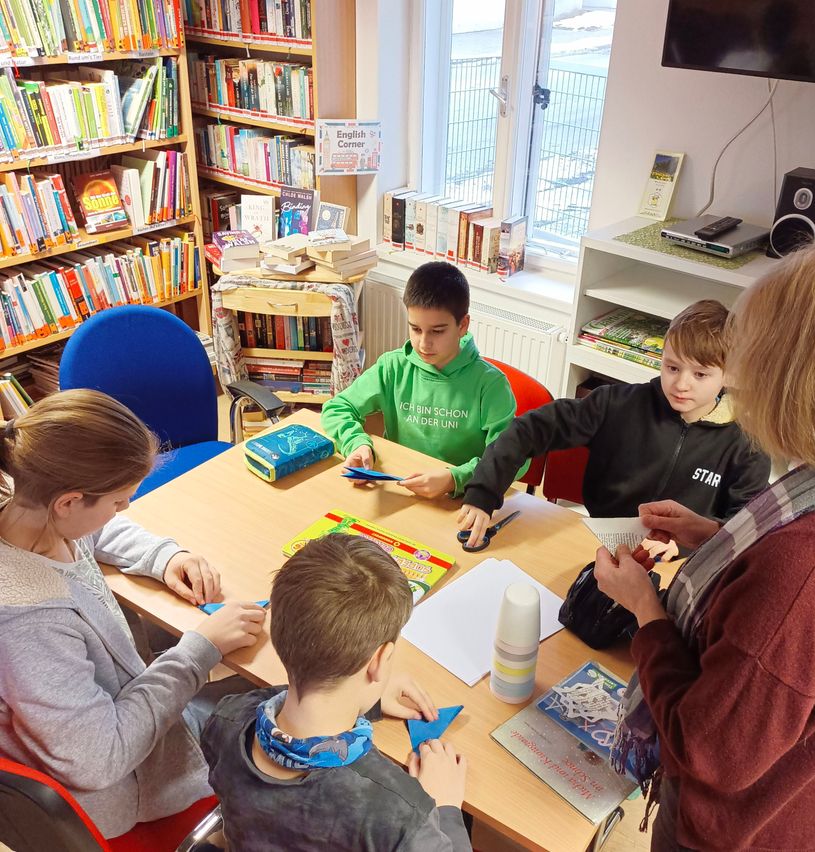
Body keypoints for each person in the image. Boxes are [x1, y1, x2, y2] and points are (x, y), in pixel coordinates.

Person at [594, 243, 815, 851]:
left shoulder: (809, 569)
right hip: (802, 793)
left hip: (733, 831)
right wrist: (715, 538)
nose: (736, 378)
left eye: (746, 358)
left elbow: (709, 749)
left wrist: (646, 611)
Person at [0, 389, 266, 839]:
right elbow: (102, 756)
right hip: (130, 782)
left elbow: (95, 531)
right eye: (120, 500)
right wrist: (200, 651)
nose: (122, 510)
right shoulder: (28, 625)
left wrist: (164, 558)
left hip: (125, 704)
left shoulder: (25, 502)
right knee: (282, 710)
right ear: (68, 501)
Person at [201, 533, 472, 851]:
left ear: (279, 635)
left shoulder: (226, 718)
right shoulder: (402, 812)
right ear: (380, 662)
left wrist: (363, 698)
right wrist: (446, 808)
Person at [458, 299, 770, 549]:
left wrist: (695, 544)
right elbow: (531, 428)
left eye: (700, 374)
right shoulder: (618, 404)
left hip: (682, 562)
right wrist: (484, 492)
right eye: (672, 367)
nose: (681, 384)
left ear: (729, 374)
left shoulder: (748, 446)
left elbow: (746, 528)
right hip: (598, 542)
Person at [321, 261, 520, 499]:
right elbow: (337, 408)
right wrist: (357, 444)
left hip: (461, 500)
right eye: (415, 329)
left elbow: (514, 456)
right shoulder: (393, 367)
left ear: (462, 325)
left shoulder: (491, 385)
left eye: (437, 331)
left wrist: (455, 478)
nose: (424, 343)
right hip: (398, 489)